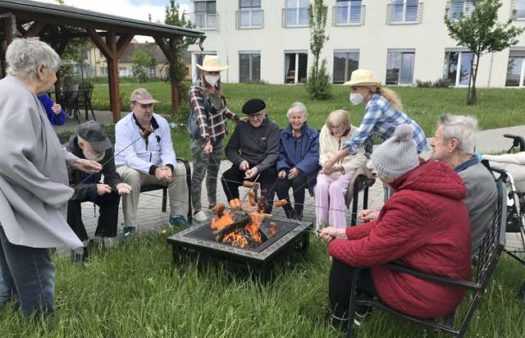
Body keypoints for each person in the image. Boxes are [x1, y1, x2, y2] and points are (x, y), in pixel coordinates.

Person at [320, 125, 471, 330]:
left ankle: (339, 324)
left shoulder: (412, 201)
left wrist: (334, 246)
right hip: (440, 278)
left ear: (390, 175)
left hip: (430, 290)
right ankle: (360, 313)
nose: (378, 176)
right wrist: (343, 233)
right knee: (351, 251)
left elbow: (369, 251)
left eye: (378, 172)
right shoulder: (426, 180)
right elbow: (387, 229)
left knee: (344, 261)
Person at [0, 38, 102, 318]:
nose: (56, 78)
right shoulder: (18, 98)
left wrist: (73, 159)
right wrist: (51, 190)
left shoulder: (15, 92)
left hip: (13, 198)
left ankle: (11, 310)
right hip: (19, 200)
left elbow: (39, 143)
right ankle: (40, 321)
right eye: (55, 71)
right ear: (42, 69)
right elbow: (8, 156)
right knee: (34, 262)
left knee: (11, 264)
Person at [115, 88, 190, 236]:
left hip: (156, 168)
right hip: (129, 167)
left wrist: (168, 167)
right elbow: (130, 158)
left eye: (151, 106)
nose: (148, 110)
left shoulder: (161, 122)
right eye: (143, 106)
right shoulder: (122, 125)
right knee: (131, 175)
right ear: (133, 106)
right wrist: (154, 169)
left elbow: (168, 149)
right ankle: (130, 227)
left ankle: (177, 216)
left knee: (180, 169)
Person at [323, 69, 427, 173]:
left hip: (411, 141)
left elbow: (359, 138)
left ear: (367, 88)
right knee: (390, 175)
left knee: (394, 175)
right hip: (408, 138)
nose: (352, 93)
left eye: (355, 89)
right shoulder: (375, 100)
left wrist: (333, 160)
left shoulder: (375, 105)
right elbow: (367, 134)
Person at [429, 114, 497, 252]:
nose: (431, 142)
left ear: (452, 144)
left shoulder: (468, 180)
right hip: (445, 244)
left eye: (437, 137)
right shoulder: (466, 171)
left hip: (445, 255)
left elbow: (430, 220)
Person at [65, 121, 132, 255]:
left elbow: (111, 174)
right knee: (69, 202)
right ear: (81, 144)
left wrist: (118, 184)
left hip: (94, 188)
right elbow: (66, 190)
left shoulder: (105, 149)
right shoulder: (66, 155)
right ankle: (79, 245)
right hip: (73, 193)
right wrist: (93, 188)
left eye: (102, 146)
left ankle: (102, 238)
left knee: (113, 194)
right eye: (96, 148)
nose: (101, 150)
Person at [189, 55, 239, 222]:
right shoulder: (196, 91)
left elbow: (222, 110)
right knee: (199, 174)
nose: (214, 74)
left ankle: (212, 204)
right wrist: (207, 140)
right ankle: (196, 209)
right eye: (211, 72)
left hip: (218, 138)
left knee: (213, 172)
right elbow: (201, 117)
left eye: (216, 72)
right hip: (203, 140)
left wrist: (237, 118)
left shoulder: (217, 86)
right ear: (203, 72)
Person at [221, 98, 280, 213]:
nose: (255, 119)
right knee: (227, 178)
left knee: (266, 195)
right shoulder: (241, 127)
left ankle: (264, 214)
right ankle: (236, 208)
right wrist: (240, 161)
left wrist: (258, 168)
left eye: (259, 115)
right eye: (251, 116)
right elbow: (230, 149)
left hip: (265, 167)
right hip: (246, 165)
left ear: (265, 112)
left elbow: (273, 154)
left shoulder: (272, 127)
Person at [315, 110, 366, 229]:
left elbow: (361, 159)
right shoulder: (325, 130)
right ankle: (321, 227)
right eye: (332, 127)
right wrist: (326, 164)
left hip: (347, 170)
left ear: (346, 124)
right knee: (320, 186)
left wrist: (341, 167)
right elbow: (322, 153)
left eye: (338, 127)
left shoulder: (356, 133)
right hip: (329, 168)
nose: (334, 130)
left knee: (335, 188)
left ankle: (338, 229)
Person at [275, 102, 319, 220]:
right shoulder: (283, 135)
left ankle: (298, 212)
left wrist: (299, 168)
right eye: (293, 117)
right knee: (280, 184)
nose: (296, 120)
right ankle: (289, 211)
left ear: (305, 118)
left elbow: (314, 156)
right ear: (289, 119)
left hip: (305, 171)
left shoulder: (313, 135)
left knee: (297, 181)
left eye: (299, 117)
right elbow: (280, 154)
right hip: (288, 168)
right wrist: (282, 168)